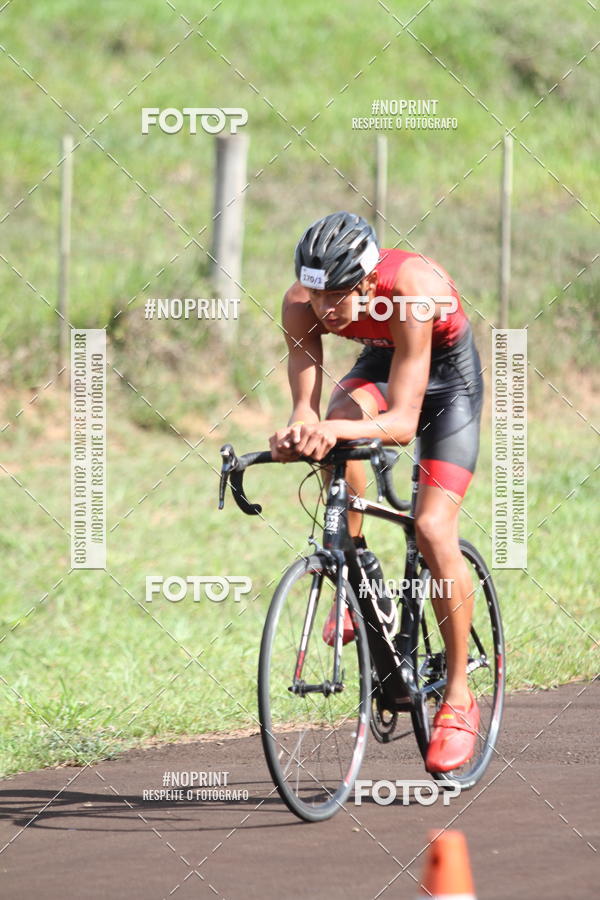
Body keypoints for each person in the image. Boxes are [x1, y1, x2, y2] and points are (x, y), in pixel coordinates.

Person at [269, 211, 483, 773]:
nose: (325, 309)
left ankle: (459, 696)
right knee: (334, 421)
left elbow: (405, 423)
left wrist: (331, 430)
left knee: (432, 527)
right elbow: (305, 406)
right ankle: (355, 572)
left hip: (447, 385)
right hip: (386, 363)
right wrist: (300, 431)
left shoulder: (410, 289)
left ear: (367, 282)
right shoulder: (301, 302)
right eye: (316, 295)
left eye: (338, 295)